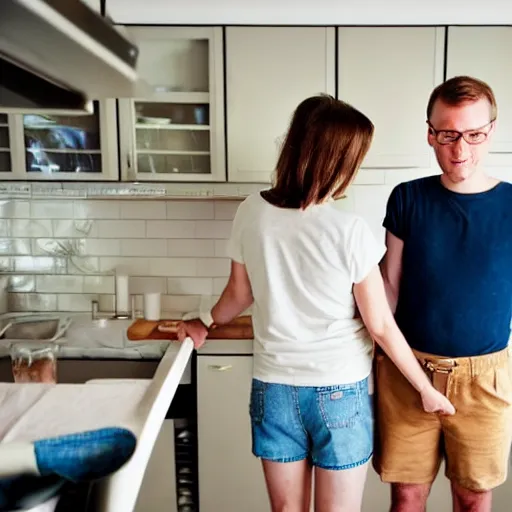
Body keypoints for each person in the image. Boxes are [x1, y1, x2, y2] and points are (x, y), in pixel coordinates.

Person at [177, 94, 454, 512]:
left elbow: (238, 295)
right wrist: (425, 388)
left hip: (274, 387)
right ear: (339, 161)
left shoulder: (250, 211)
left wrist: (203, 321)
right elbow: (379, 324)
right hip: (340, 388)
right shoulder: (350, 231)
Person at [374, 75, 512, 512]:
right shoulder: (407, 199)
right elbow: (388, 287)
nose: (460, 149)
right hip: (407, 370)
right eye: (448, 134)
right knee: (407, 498)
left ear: (490, 132)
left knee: (473, 499)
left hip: (485, 380)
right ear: (431, 134)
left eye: (473, 134)